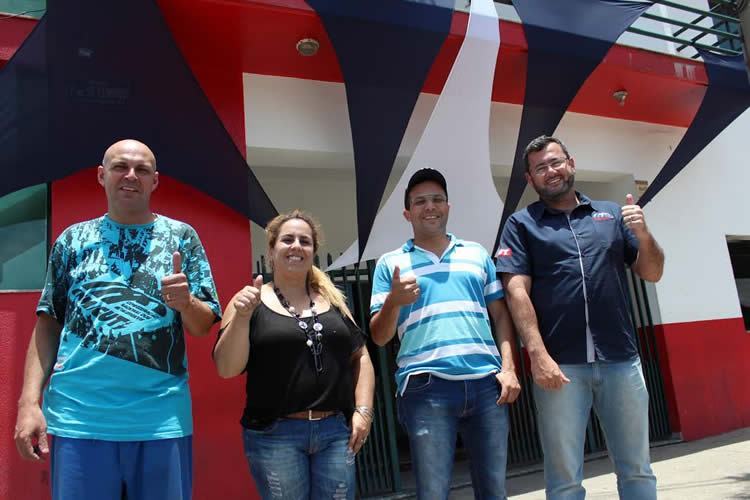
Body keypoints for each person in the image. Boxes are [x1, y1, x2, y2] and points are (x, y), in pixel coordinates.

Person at [13, 139, 221, 500]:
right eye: (120, 167)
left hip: (160, 421)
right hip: (80, 419)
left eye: (142, 170)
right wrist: (29, 403)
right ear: (101, 175)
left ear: (155, 181)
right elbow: (48, 323)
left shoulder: (182, 238)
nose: (131, 176)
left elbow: (203, 326)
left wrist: (185, 303)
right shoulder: (72, 240)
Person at [497, 135, 664, 500]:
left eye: (555, 162)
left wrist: (643, 234)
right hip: (561, 368)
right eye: (540, 168)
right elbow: (516, 291)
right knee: (564, 479)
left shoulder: (609, 215)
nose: (550, 171)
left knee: (637, 470)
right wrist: (537, 355)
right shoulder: (521, 224)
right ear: (530, 179)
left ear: (570, 163)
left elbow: (651, 272)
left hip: (621, 360)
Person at [369, 168, 521, 499]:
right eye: (420, 201)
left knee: (494, 490)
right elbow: (380, 337)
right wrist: (393, 302)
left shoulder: (477, 254)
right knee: (433, 492)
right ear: (407, 213)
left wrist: (508, 368)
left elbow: (501, 314)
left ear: (448, 207)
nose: (430, 207)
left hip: (487, 385)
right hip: (425, 387)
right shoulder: (390, 264)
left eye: (437, 199)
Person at [213, 209, 375, 500]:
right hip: (276, 436)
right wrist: (240, 318)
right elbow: (226, 368)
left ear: (313, 251)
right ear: (272, 250)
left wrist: (363, 412)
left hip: (335, 433)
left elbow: (361, 356)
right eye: (287, 239)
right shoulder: (248, 301)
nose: (296, 246)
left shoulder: (333, 300)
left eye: (305, 241)